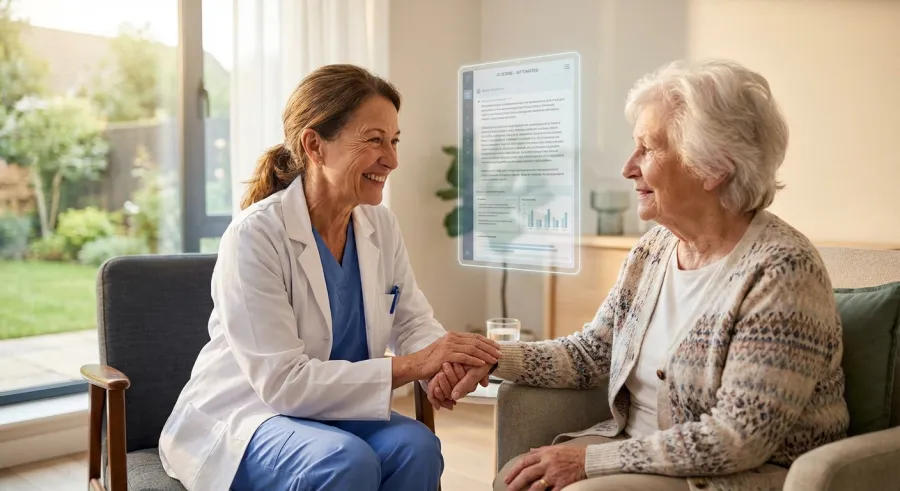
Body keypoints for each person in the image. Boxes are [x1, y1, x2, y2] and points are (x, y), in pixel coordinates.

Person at [435, 59, 851, 491]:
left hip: (732, 475)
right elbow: (592, 353)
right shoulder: (654, 249)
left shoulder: (782, 272)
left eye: (648, 149)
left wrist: (590, 461)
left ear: (713, 166)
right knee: (516, 481)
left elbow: (737, 438)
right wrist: (494, 358)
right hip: (641, 452)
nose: (628, 167)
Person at [157, 64, 502, 491]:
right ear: (315, 146)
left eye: (394, 141)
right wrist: (415, 365)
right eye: (375, 140)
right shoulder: (255, 236)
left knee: (419, 447)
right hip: (253, 414)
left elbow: (411, 320)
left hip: (337, 411)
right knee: (343, 462)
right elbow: (283, 384)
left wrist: (442, 368)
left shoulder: (380, 225)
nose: (391, 160)